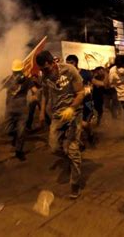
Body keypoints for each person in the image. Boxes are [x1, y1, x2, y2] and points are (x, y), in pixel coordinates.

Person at [36, 50, 85, 199]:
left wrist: (72, 108)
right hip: (57, 115)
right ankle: (69, 158)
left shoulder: (69, 70)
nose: (45, 72)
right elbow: (45, 95)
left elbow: (81, 92)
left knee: (73, 149)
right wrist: (42, 112)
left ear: (53, 63)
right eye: (42, 70)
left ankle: (75, 184)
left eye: (47, 68)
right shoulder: (44, 77)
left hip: (74, 113)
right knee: (54, 147)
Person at [0, 59, 38, 161]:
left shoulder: (27, 80)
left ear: (22, 70)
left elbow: (35, 91)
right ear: (12, 71)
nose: (17, 74)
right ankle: (15, 136)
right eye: (15, 72)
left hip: (22, 110)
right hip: (9, 110)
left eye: (19, 71)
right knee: (8, 130)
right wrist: (0, 86)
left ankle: (19, 151)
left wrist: (34, 95)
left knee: (21, 132)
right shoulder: (8, 79)